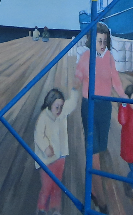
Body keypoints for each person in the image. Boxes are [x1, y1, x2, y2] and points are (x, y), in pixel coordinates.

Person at [74, 23, 126, 214]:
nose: (102, 44)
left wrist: (126, 99)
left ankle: (94, 191)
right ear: (92, 40)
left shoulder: (110, 57)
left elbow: (117, 82)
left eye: (105, 41)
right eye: (99, 40)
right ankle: (102, 203)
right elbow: (77, 78)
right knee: (94, 152)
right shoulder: (86, 57)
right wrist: (71, 96)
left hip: (105, 108)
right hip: (89, 107)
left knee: (101, 149)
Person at [34, 86, 79, 215]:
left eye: (61, 106)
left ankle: (55, 209)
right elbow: (38, 136)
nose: (59, 110)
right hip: (46, 160)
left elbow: (72, 104)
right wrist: (46, 147)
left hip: (60, 157)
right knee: (47, 186)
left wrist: (75, 90)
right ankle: (42, 209)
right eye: (56, 107)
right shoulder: (43, 117)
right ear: (49, 104)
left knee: (57, 185)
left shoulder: (63, 112)